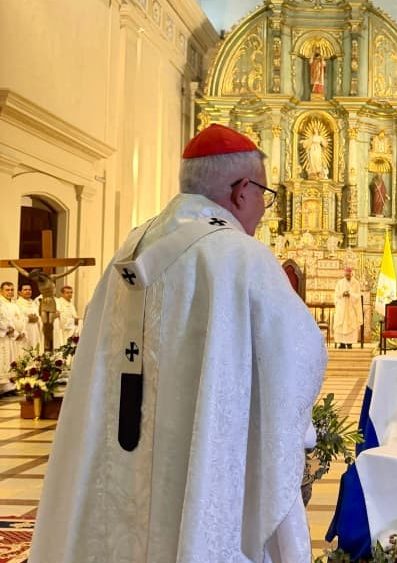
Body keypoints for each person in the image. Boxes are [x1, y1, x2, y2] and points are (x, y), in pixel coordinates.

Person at [28, 123, 327, 563]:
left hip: (122, 446)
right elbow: (299, 357)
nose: (263, 209)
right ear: (241, 190)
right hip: (195, 462)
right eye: (264, 194)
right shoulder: (242, 257)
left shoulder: (130, 248)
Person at [333, 267, 362, 349]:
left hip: (351, 307)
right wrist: (343, 294)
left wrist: (350, 294)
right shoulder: (340, 283)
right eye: (346, 275)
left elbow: (358, 296)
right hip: (342, 307)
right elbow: (336, 295)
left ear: (351, 274)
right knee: (341, 324)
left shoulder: (356, 283)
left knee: (351, 324)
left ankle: (349, 343)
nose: (347, 276)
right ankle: (342, 343)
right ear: (344, 274)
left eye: (348, 275)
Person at [0, 282, 24, 374]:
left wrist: (22, 332)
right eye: (7, 290)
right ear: (1, 291)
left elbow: (22, 319)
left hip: (16, 338)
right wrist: (6, 330)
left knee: (14, 360)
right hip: (4, 338)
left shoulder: (15, 304)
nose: (10, 292)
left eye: (12, 290)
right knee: (4, 359)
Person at [15, 283, 41, 353]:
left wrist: (37, 318)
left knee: (34, 352)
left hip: (35, 332)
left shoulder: (34, 303)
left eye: (29, 290)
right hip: (24, 332)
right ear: (19, 292)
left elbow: (39, 317)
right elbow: (16, 320)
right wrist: (28, 319)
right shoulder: (16, 304)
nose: (28, 291)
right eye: (25, 290)